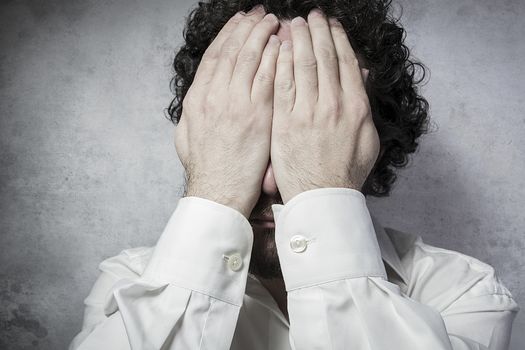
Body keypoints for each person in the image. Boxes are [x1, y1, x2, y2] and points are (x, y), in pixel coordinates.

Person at [69, 2, 519, 349]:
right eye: (246, 132)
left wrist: (321, 190)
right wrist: (217, 192)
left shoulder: (462, 291)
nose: (268, 183)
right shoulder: (128, 284)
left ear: (367, 145)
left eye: (310, 132)